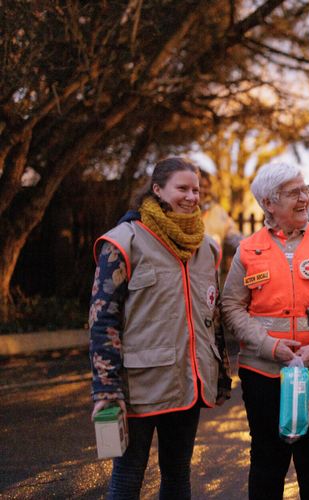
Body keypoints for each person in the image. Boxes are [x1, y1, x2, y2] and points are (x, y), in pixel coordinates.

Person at [89, 157, 232, 498]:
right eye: (181, 188)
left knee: (178, 476)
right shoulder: (124, 242)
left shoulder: (206, 247)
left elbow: (213, 317)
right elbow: (102, 320)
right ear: (157, 190)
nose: (191, 196)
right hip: (138, 386)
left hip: (188, 382)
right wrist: (106, 389)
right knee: (127, 478)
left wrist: (220, 373)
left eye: (195, 190)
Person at [221, 162, 309, 500]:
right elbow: (231, 306)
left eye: (305, 189)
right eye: (294, 192)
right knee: (267, 461)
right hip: (264, 373)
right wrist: (269, 346)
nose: (304, 198)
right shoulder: (248, 250)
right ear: (269, 202)